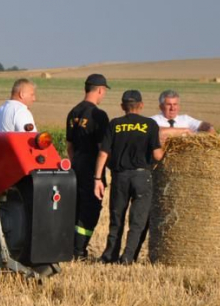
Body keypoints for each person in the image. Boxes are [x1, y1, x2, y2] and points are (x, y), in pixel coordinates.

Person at [93, 90, 163, 265]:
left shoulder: (115, 124)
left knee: (116, 218)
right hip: (142, 177)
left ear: (122, 106)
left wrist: (97, 179)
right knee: (137, 221)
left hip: (120, 177)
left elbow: (103, 153)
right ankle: (127, 257)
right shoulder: (150, 124)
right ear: (141, 105)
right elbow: (157, 155)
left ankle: (110, 255)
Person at [66, 74, 111, 259]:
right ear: (100, 90)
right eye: (104, 92)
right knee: (90, 209)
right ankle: (79, 250)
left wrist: (75, 161)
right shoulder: (98, 115)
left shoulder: (73, 112)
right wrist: (99, 175)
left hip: (76, 163)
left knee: (75, 206)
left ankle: (71, 247)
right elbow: (103, 148)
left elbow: (69, 146)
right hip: (92, 166)